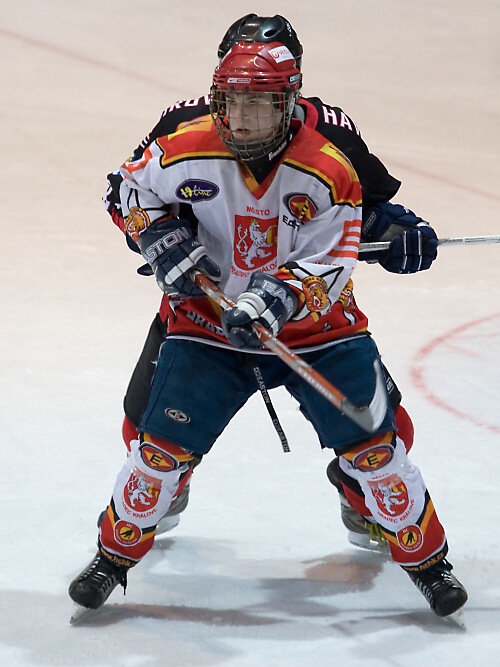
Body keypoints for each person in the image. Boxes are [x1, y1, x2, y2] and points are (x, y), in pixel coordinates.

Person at [69, 40, 467, 619]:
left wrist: (277, 298)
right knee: (156, 454)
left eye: (256, 105)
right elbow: (129, 189)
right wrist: (155, 235)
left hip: (317, 331)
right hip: (207, 325)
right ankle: (113, 556)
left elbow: (331, 259)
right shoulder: (184, 144)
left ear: (287, 103)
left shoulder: (330, 164)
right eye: (231, 103)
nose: (240, 118)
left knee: (378, 454)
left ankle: (429, 564)